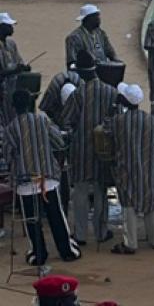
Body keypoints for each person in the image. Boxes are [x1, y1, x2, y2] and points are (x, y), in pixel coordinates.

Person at [5, 89, 79, 266]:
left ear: (14, 107)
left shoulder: (11, 128)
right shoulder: (43, 121)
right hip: (47, 178)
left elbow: (8, 155)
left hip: (25, 181)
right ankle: (66, 251)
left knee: (32, 220)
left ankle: (38, 254)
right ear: (30, 104)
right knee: (56, 216)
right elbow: (58, 142)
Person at [62, 49, 117, 245]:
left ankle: (81, 234)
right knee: (101, 190)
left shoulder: (78, 94)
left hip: (81, 151)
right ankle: (101, 232)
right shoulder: (111, 92)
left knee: (81, 192)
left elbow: (67, 122)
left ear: (83, 73)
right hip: (103, 150)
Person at [105, 83, 154, 254]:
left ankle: (130, 242)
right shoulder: (150, 119)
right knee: (151, 202)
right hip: (148, 167)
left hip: (127, 168)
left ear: (124, 101)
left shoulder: (118, 121)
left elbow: (106, 131)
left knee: (128, 204)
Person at [64, 4, 118, 72]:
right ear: (87, 19)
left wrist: (118, 63)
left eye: (98, 15)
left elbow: (111, 53)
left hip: (104, 72)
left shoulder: (101, 34)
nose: (99, 19)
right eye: (96, 16)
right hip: (85, 75)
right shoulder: (74, 38)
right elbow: (71, 64)